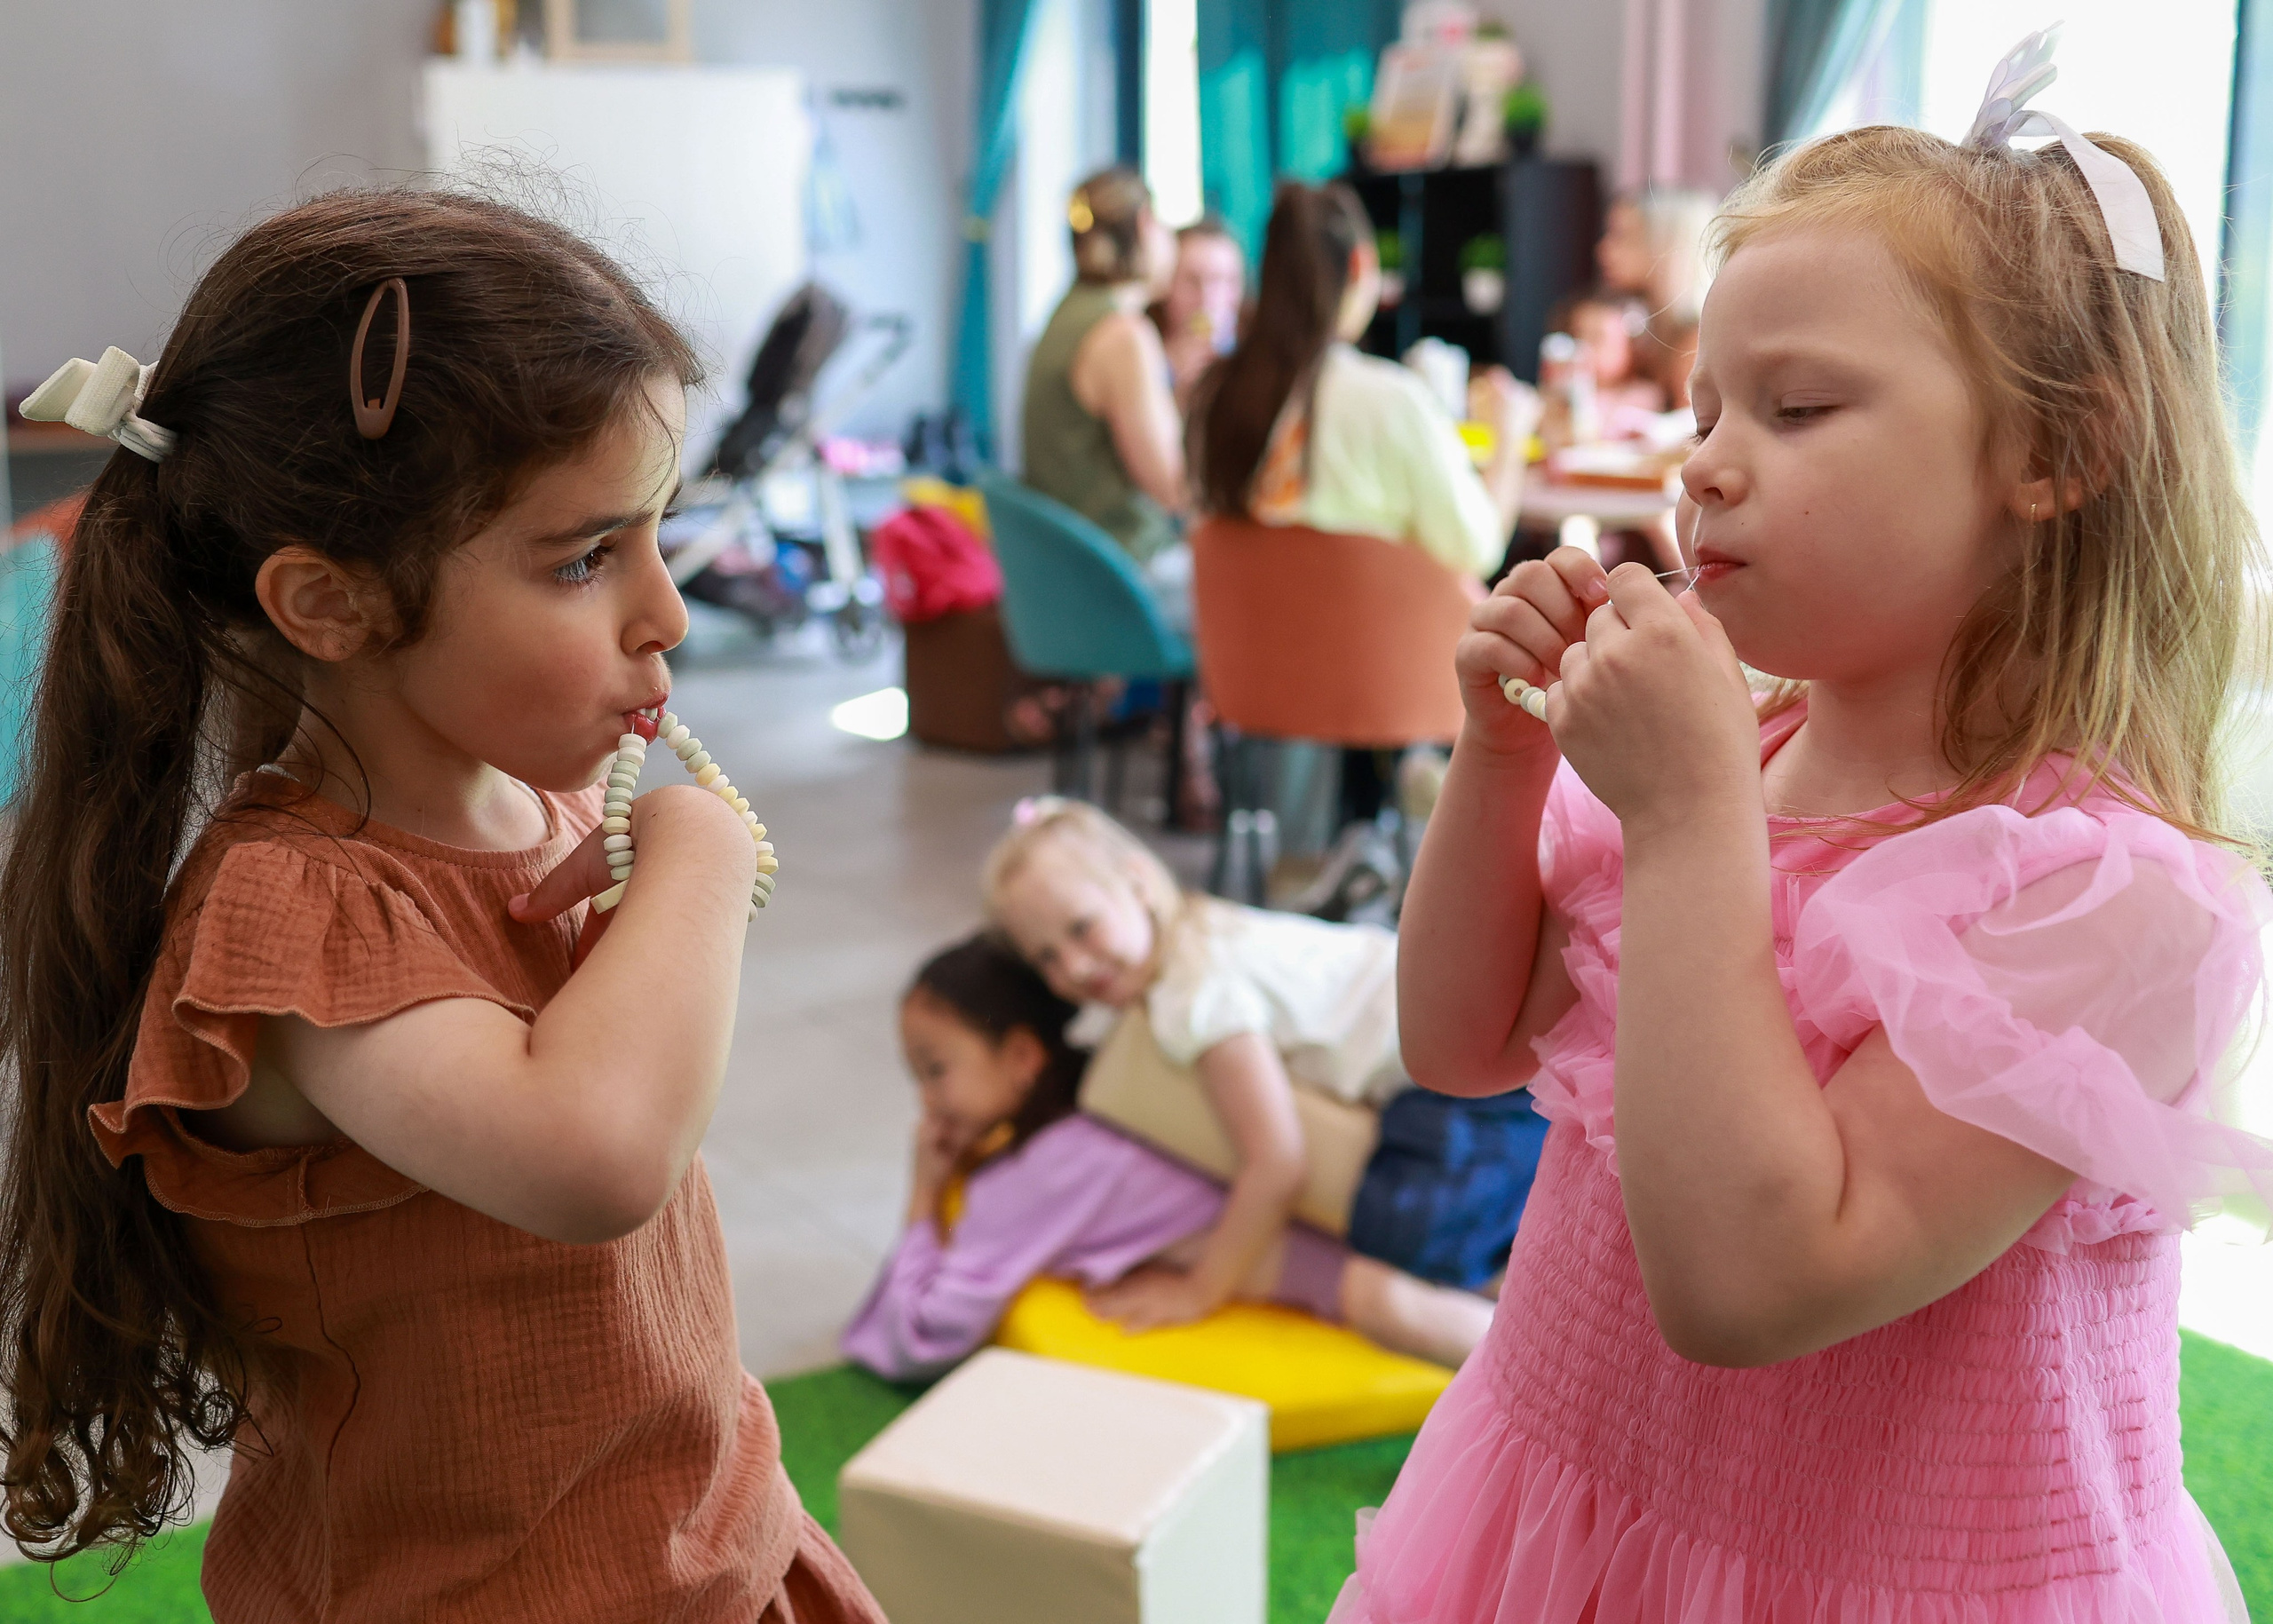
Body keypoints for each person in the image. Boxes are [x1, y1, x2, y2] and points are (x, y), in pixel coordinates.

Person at [1333, 107, 2273, 1624]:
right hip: (1559, 1507)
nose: (1705, 466)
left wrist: (1687, 819)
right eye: (1705, 409)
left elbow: (1754, 1284)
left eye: (1798, 408)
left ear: (2055, 452)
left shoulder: (2112, 901)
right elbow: (1457, 1039)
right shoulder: (1742, 756)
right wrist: (1503, 758)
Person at [0, 191, 883, 1623]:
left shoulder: (542, 806)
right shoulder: (293, 914)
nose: (667, 611)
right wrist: (704, 848)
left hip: (707, 1546)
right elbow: (597, 1154)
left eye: (658, 533)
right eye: (586, 558)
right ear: (330, 605)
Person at [984, 798, 1547, 1319]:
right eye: (1047, 957)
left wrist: (1199, 1290)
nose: (1075, 967)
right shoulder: (1203, 929)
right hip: (1478, 1036)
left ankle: (1534, 1306)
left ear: (1138, 883)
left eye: (1082, 928)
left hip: (1485, 1077)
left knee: (1394, 1230)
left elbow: (1277, 1166)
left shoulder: (1196, 994)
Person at [841, 934, 1492, 1380]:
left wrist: (923, 1194)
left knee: (1391, 1302)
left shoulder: (1036, 1176)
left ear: (1021, 1056)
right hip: (1417, 1187)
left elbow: (922, 1331)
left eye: (935, 1070)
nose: (925, 1099)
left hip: (1349, 1264)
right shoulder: (1118, 1087)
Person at [1190, 179, 1538, 581]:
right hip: (1378, 622)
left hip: (1250, 619)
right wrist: (1509, 438)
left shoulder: (1216, 392)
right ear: (1360, 264)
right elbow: (1476, 549)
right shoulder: (1390, 398)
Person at [1021, 165, 1188, 586]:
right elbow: (1173, 488)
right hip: (1121, 573)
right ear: (1146, 226)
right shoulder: (1124, 335)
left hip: (1064, 568)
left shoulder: (1067, 314)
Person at [1595, 185, 1717, 408]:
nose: (1603, 250)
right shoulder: (1644, 339)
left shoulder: (1698, 343)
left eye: (1622, 237)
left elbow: (1693, 427)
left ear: (1667, 246)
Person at [1152, 216, 1247, 408]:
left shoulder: (1255, 360)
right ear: (1166, 285)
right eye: (1192, 281)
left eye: (1220, 280)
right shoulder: (1145, 361)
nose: (1206, 298)